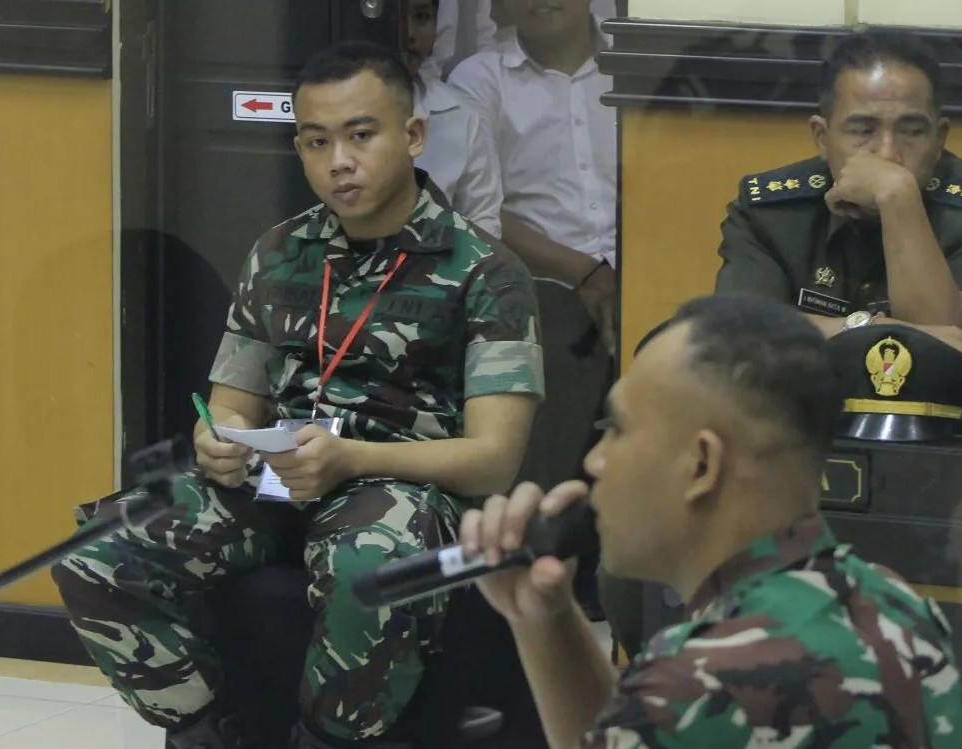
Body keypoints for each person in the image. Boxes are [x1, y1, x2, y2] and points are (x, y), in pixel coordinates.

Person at [52, 42, 543, 749]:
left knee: (364, 564)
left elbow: (495, 459)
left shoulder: (485, 272)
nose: (338, 160)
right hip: (278, 475)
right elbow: (231, 401)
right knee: (96, 551)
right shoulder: (278, 254)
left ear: (412, 135)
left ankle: (325, 739)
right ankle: (206, 726)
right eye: (316, 142)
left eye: (360, 134)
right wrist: (216, 441)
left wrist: (349, 457)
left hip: (403, 484)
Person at [459, 294, 962, 749]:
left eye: (616, 430)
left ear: (701, 465)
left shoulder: (698, 682)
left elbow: (666, 715)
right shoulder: (897, 607)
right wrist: (545, 621)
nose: (594, 463)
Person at [715, 30, 962, 366]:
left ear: (939, 138)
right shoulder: (769, 209)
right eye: (863, 130)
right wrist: (868, 326)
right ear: (822, 137)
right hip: (798, 412)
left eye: (911, 131)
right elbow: (740, 336)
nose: (888, 154)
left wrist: (898, 198)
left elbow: (944, 348)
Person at [449, 0, 618, 354]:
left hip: (651, 274)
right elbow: (475, 207)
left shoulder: (634, 62)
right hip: (538, 291)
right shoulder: (478, 80)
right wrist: (587, 273)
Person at [403, 0, 504, 237]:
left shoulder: (461, 114)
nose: (409, 33)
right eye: (396, 19)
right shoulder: (325, 105)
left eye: (422, 16)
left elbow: (482, 222)